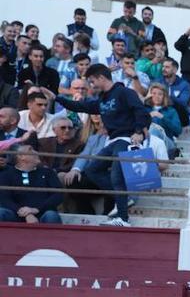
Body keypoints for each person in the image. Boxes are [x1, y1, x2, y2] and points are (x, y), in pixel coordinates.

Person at [54, 64, 151, 227]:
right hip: (113, 141)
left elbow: (142, 112)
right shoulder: (102, 100)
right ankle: (125, 198)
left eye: (92, 82)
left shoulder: (125, 92)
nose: (92, 86)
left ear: (101, 78)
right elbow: (80, 106)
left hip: (126, 139)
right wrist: (56, 98)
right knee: (92, 170)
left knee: (116, 176)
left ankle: (123, 218)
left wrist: (138, 131)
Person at [0, 145, 63, 224]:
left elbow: (58, 195)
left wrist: (36, 209)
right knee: (1, 213)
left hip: (43, 212)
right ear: (21, 156)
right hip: (16, 214)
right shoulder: (6, 175)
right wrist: (27, 214)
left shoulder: (48, 172)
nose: (36, 152)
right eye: (30, 150)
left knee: (51, 216)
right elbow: (5, 199)